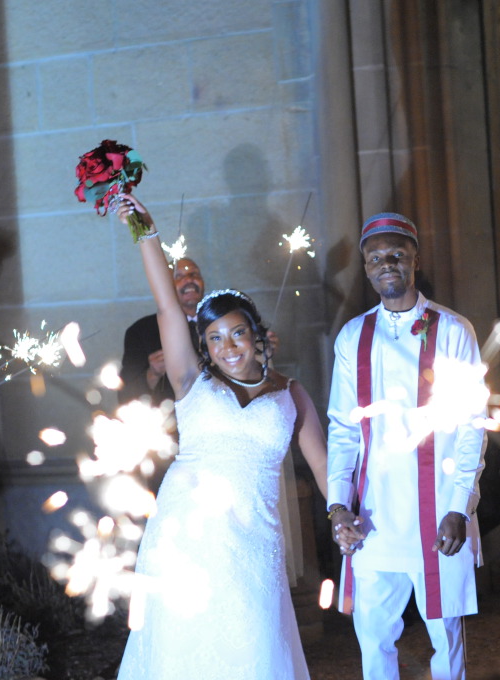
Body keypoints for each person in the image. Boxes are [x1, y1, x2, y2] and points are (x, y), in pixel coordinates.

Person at [114, 194, 328, 680]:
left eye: (236, 334)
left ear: (257, 335)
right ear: (202, 346)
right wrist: (146, 232)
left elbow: (323, 467)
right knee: (183, 645)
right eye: (213, 338)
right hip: (186, 532)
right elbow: (167, 308)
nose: (226, 347)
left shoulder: (290, 394)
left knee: (254, 642)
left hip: (255, 539)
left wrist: (341, 514)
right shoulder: (193, 383)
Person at [326, 212, 487, 680]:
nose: (386, 264)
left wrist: (460, 506)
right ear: (366, 267)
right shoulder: (353, 336)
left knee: (445, 633)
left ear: (415, 259)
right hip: (373, 514)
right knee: (372, 633)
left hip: (436, 510)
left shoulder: (454, 330)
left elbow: (471, 426)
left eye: (396, 254)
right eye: (375, 258)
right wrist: (338, 505)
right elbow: (342, 430)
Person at [119, 257, 206, 406]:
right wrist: (153, 374)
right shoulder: (141, 331)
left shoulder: (219, 322)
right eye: (179, 276)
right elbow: (125, 395)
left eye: (194, 274)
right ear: (166, 284)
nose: (189, 280)